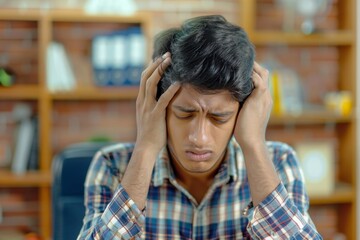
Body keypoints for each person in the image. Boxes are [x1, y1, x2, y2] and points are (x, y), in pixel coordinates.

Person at [77, 15, 322, 239]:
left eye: (219, 118)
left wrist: (255, 145)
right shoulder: (112, 166)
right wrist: (146, 148)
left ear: (244, 112)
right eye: (185, 114)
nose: (199, 137)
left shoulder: (279, 162)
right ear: (156, 107)